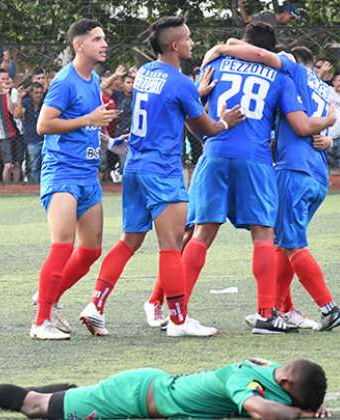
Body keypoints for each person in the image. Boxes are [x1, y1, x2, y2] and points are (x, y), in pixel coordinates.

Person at [78, 16, 246, 338]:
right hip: (162, 171)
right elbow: (206, 129)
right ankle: (179, 321)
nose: (192, 43)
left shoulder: (147, 73)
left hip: (135, 168)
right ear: (174, 45)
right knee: (171, 246)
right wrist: (225, 121)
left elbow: (164, 106)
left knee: (130, 241)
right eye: (188, 38)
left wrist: (193, 94)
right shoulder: (180, 83)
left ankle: (95, 305)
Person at [184, 22, 335, 334]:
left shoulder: (214, 61)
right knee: (264, 235)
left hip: (215, 151)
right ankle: (267, 315)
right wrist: (328, 128)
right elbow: (299, 124)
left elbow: (193, 112)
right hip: (256, 159)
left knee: (201, 234)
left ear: (242, 41)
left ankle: (177, 312)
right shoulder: (281, 74)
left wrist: (211, 140)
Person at [31, 19, 120, 340]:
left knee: (91, 250)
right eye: (97, 39)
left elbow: (87, 125)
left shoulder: (93, 78)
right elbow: (44, 124)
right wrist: (89, 119)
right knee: (62, 246)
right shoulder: (64, 81)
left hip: (87, 175)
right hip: (61, 174)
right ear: (78, 45)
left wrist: (108, 138)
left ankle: (48, 296)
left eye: (104, 38)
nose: (103, 44)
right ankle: (41, 321)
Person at [0, 358, 329, 420]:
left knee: (59, 401)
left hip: (143, 397)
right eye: (289, 399)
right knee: (35, 406)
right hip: (130, 398)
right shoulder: (247, 382)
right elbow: (257, 409)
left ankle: (69, 394)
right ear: (284, 384)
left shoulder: (275, 374)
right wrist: (303, 415)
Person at [16, 82, 45, 183]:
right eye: (36, 92)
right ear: (31, 93)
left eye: (41, 93)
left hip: (46, 139)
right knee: (34, 166)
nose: (38, 95)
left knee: (46, 164)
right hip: (32, 139)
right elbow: (17, 114)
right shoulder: (26, 102)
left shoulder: (46, 103)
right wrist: (19, 98)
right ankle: (35, 186)